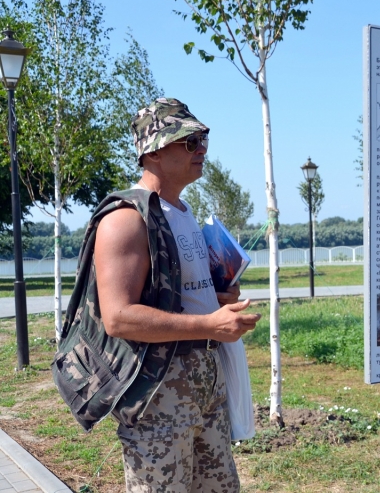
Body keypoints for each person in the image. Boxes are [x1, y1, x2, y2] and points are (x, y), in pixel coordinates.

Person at [52, 98, 260, 492]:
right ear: (153, 152)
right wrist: (209, 324)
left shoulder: (180, 211)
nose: (201, 150)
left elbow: (175, 296)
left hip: (203, 384)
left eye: (203, 140)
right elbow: (119, 317)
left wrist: (216, 297)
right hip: (159, 394)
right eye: (189, 142)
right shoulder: (126, 220)